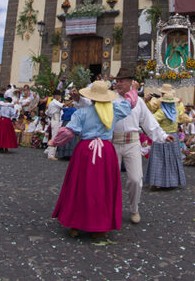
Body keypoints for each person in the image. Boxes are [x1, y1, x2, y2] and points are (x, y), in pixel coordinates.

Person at [49, 81, 132, 237]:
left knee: (80, 185)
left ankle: (75, 223)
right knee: (102, 187)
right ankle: (100, 226)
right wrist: (131, 90)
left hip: (85, 151)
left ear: (91, 97)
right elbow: (129, 105)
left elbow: (68, 132)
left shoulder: (82, 113)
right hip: (105, 152)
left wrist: (55, 142)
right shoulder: (114, 110)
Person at [112, 66, 171, 224]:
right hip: (113, 142)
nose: (118, 83)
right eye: (117, 81)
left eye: (122, 81)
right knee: (111, 179)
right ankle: (110, 209)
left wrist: (163, 136)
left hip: (132, 142)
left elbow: (149, 122)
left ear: (130, 83)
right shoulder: (110, 99)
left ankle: (134, 208)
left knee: (136, 179)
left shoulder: (138, 101)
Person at [146, 84, 191, 188]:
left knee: (159, 160)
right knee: (172, 159)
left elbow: (151, 120)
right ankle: (172, 181)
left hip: (162, 136)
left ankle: (158, 182)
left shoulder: (162, 112)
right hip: (173, 137)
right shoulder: (174, 111)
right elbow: (181, 116)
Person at [43, 91, 64, 160]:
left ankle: (48, 150)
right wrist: (71, 101)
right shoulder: (55, 102)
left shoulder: (51, 102)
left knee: (53, 135)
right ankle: (51, 155)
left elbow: (47, 112)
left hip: (53, 119)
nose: (60, 97)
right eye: (59, 95)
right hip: (56, 119)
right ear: (56, 96)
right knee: (55, 136)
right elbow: (63, 105)